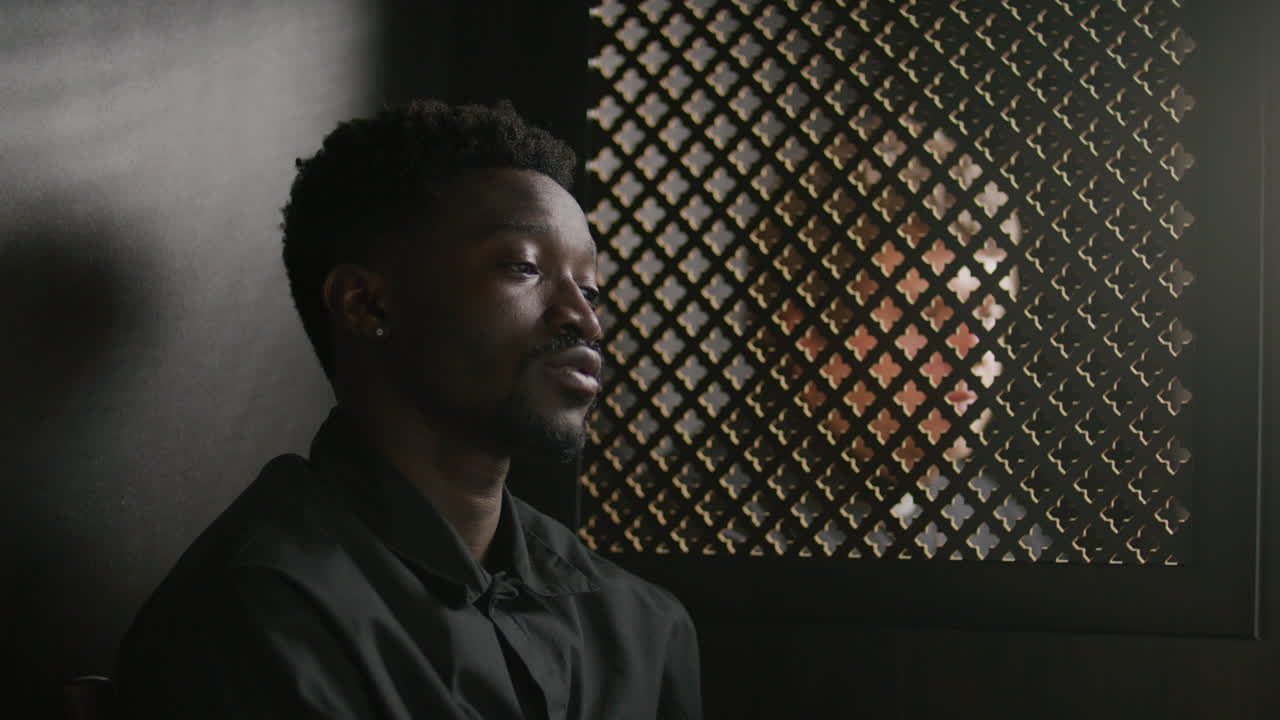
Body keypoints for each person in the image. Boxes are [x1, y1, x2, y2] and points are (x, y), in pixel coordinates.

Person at [115, 100, 702, 719]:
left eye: (590, 288)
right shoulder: (258, 613)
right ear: (365, 304)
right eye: (524, 267)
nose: (583, 320)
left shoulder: (640, 626)